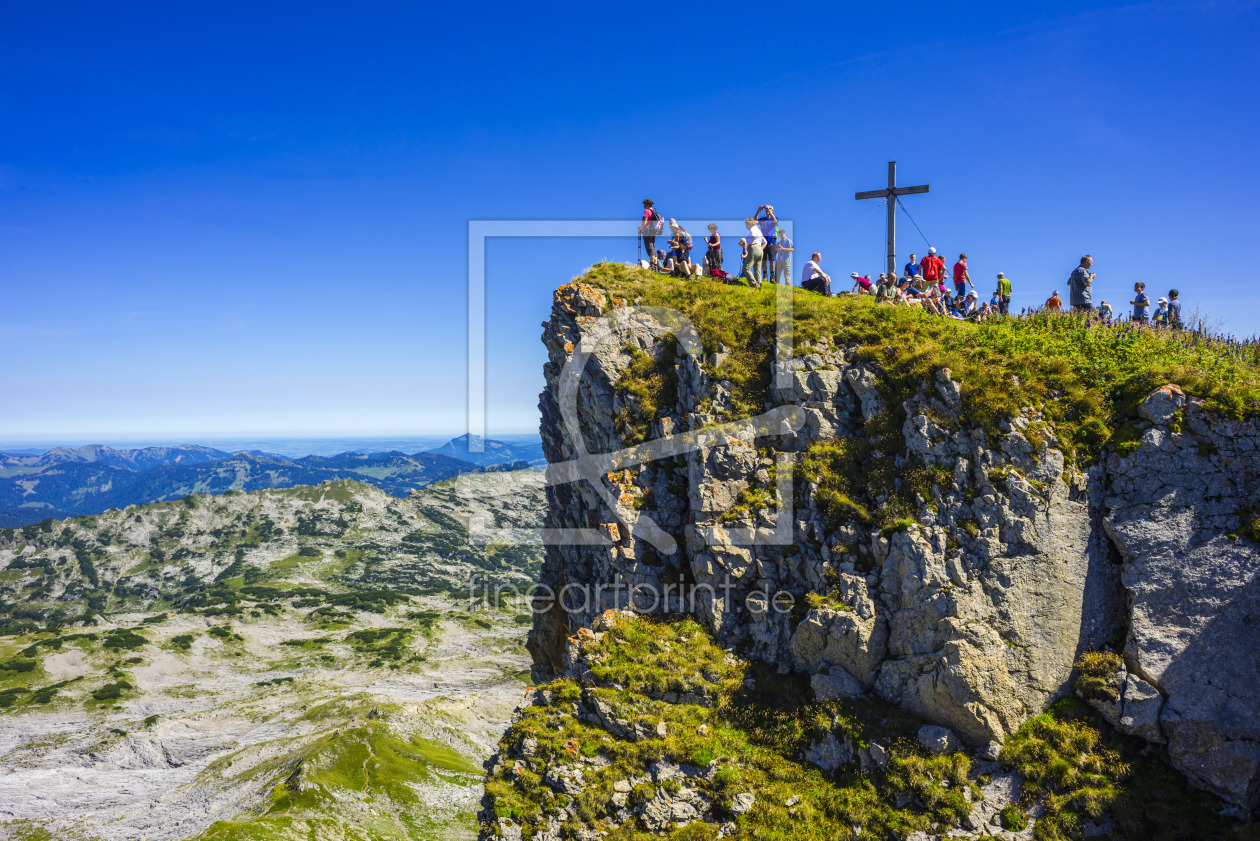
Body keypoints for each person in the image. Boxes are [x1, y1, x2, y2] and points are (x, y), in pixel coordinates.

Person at [638, 199, 664, 270]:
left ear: (647, 204)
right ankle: (655, 266)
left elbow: (645, 222)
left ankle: (652, 266)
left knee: (649, 249)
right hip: (653, 232)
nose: (643, 206)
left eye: (644, 204)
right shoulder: (653, 212)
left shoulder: (647, 211)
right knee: (653, 248)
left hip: (647, 231)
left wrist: (640, 228)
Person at [755, 205, 778, 281]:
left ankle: (772, 276)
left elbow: (775, 221)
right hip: (763, 242)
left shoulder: (773, 218)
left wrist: (769, 210)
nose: (767, 210)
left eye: (770, 209)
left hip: (771, 241)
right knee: (763, 260)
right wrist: (758, 211)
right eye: (766, 209)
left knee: (771, 259)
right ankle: (765, 276)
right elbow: (755, 221)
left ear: (772, 210)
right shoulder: (763, 219)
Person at [742, 217, 765, 287]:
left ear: (749, 223)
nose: (746, 226)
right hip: (760, 249)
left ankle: (754, 285)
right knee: (757, 270)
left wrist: (749, 245)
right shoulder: (758, 230)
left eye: (746, 224)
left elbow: (752, 237)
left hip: (753, 248)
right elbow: (765, 241)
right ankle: (759, 284)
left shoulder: (753, 229)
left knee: (746, 268)